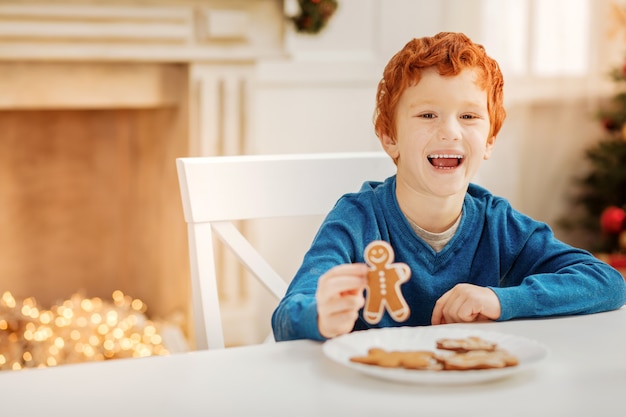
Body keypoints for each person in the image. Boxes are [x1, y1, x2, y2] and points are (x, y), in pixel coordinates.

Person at [271, 32, 626, 342]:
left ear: (489, 140)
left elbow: (607, 282)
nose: (451, 131)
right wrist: (319, 315)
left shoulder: (498, 224)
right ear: (389, 137)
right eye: (428, 115)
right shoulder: (357, 220)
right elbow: (287, 316)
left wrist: (501, 300)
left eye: (469, 116)